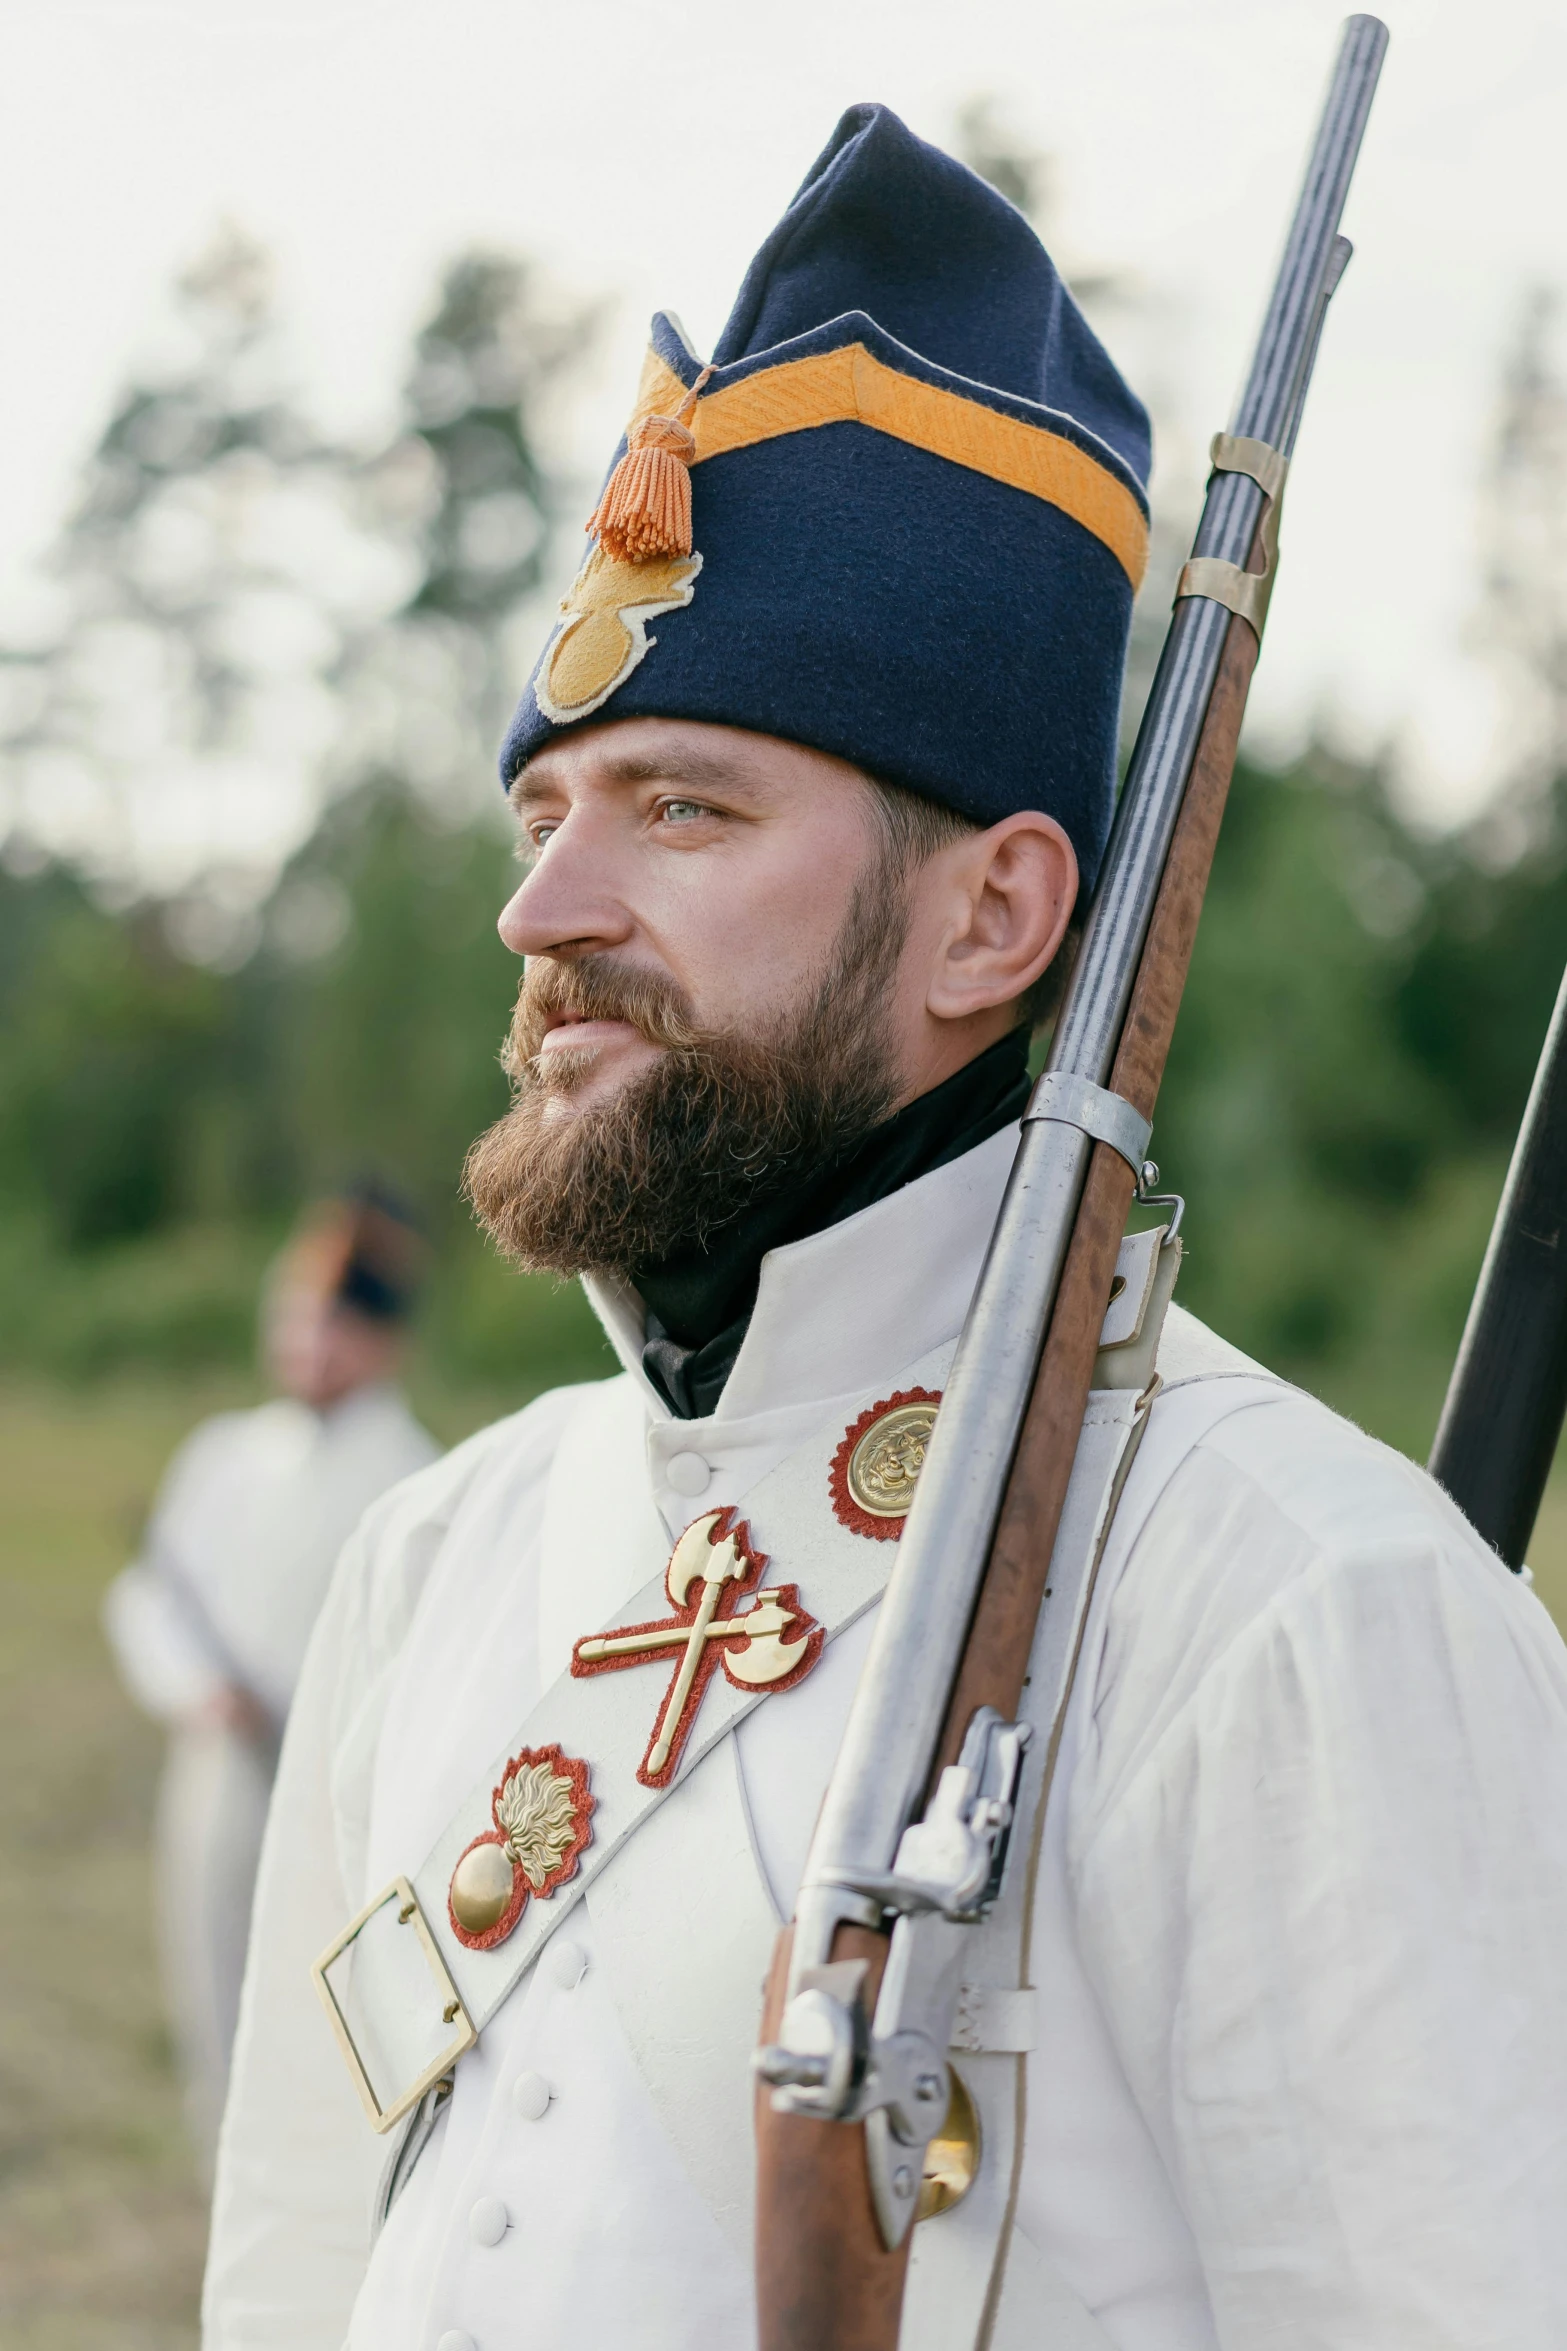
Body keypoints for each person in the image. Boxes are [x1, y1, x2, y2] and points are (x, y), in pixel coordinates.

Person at [205, 107, 1567, 2351]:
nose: (542, 907)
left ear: (997, 910)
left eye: (684, 806)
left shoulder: (1310, 1608)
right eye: (546, 809)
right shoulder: (429, 1562)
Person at [105, 1186, 439, 2173]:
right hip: (220, 1768)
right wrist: (193, 1688)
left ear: (382, 1340)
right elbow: (150, 1596)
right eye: (297, 1313)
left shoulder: (413, 1475)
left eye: (336, 1321)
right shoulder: (225, 1455)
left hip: (342, 1789)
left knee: (322, 2020)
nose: (309, 1340)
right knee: (213, 1992)